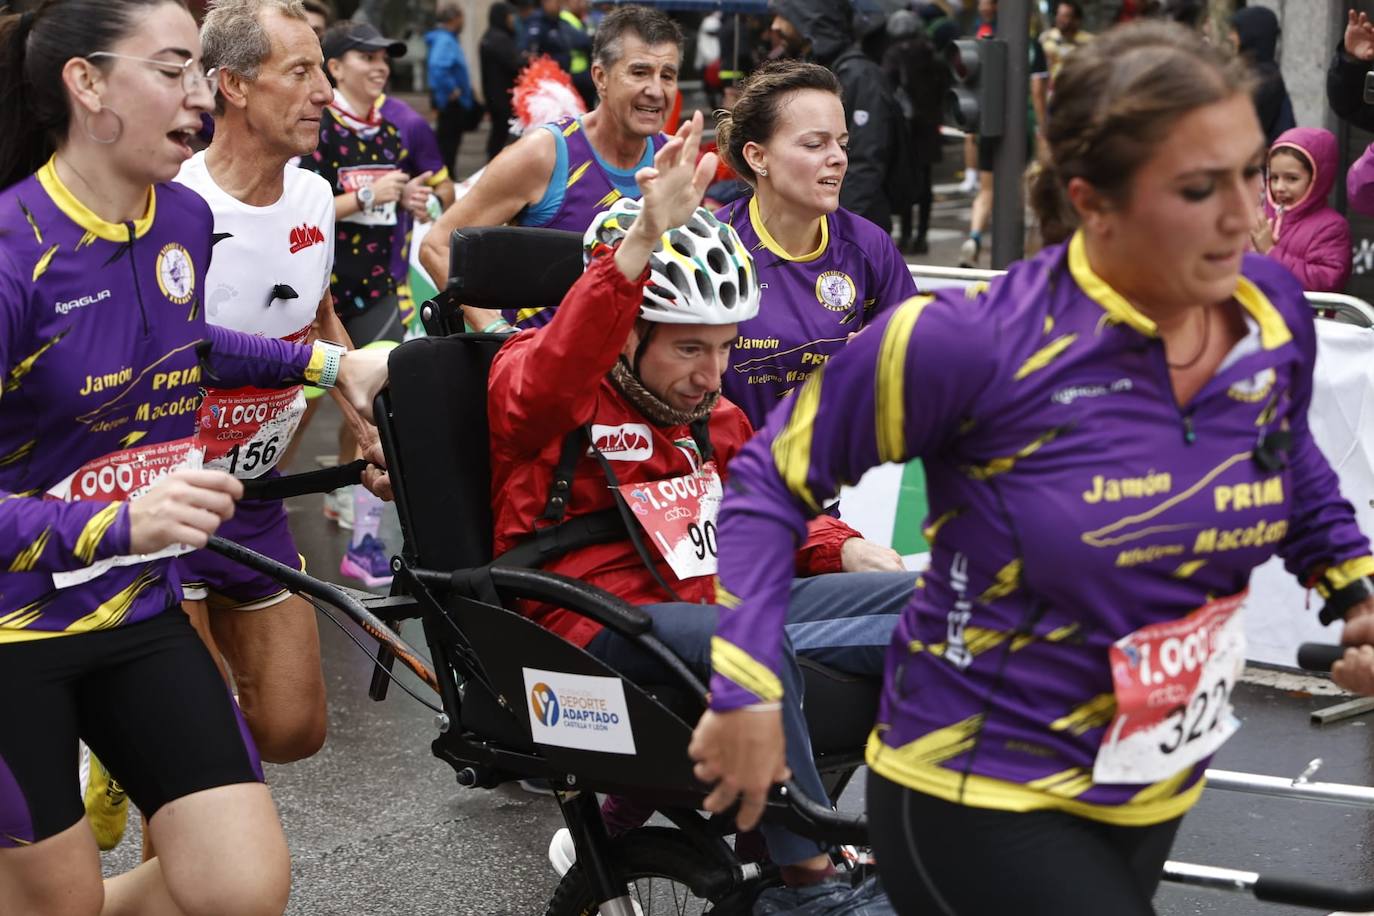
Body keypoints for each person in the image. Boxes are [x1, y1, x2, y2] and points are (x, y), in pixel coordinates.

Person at [690, 21, 1374, 914]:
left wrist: (1354, 594)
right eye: (1199, 187)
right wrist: (746, 686)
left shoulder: (1270, 306)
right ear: (1096, 201)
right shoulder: (971, 344)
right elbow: (765, 486)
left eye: (1251, 174)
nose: (1246, 215)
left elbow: (1290, 462)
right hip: (976, 785)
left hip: (1150, 777)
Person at [0, 2, 388, 913]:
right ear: (86, 83)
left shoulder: (175, 217)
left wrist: (336, 364)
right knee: (62, 904)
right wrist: (114, 519)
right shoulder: (13, 255)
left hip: (135, 603)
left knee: (241, 887)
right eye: (173, 69)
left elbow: (193, 343)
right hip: (12, 632)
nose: (199, 93)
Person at [490, 111, 906, 913]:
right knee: (740, 639)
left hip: (705, 606)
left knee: (939, 603)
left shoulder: (708, 414)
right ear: (624, 335)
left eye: (723, 348)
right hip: (592, 628)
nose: (711, 374)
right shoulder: (541, 386)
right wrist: (641, 240)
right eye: (688, 347)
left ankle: (916, 827)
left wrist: (842, 547)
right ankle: (807, 886)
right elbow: (558, 364)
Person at [174, 0, 389, 772]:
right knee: (199, 751)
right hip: (163, 511)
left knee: (294, 731)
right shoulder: (178, 204)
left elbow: (320, 313)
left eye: (323, 71)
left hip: (255, 504)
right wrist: (330, 369)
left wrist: (365, 424)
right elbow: (180, 348)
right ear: (231, 85)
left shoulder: (309, 197)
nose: (325, 92)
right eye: (300, 72)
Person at [420, 4, 682, 332]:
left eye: (667, 76)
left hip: (633, 377)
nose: (656, 90)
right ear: (601, 77)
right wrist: (498, 333)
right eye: (640, 72)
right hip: (546, 376)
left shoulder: (673, 160)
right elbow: (438, 246)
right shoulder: (544, 154)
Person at [301, 20, 453, 583]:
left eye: (384, 57)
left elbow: (420, 195)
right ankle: (260, 496)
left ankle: (352, 510)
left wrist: (411, 198)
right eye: (365, 57)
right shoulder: (318, 129)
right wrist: (365, 194)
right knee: (303, 404)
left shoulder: (393, 131)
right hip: (322, 294)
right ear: (335, 68)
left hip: (380, 290)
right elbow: (304, 207)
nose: (380, 65)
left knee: (371, 402)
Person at [713, 60, 918, 430]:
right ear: (758, 156)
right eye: (814, 144)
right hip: (718, 474)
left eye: (842, 144)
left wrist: (880, 369)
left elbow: (919, 376)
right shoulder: (713, 243)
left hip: (820, 477)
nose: (838, 158)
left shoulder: (870, 247)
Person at [771, 0, 905, 233]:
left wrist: (839, 231)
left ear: (809, 19)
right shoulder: (820, 70)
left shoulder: (860, 76)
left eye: (784, 17)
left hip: (852, 229)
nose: (775, 26)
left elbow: (866, 162)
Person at [960, 0, 1049, 267]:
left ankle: (974, 237)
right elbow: (1036, 91)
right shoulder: (1032, 47)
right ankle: (1021, 250)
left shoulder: (985, 41)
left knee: (986, 190)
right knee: (1018, 188)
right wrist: (1043, 127)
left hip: (989, 123)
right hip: (1020, 126)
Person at [1251, 128, 1351, 294]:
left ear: (1317, 179)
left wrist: (1270, 251)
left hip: (1301, 317)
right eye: (1274, 177)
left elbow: (1327, 281)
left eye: (1292, 178)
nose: (1279, 187)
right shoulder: (1261, 216)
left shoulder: (1331, 227)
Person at [881, 9, 946, 254]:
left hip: (906, 129)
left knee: (907, 178)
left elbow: (888, 87)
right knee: (926, 183)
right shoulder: (930, 53)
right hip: (928, 126)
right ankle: (922, 234)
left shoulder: (893, 54)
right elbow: (943, 86)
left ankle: (907, 234)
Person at [1230, 6, 1294, 147]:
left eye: (1236, 31)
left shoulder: (1263, 79)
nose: (1231, 37)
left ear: (1251, 34)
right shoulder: (1258, 73)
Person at [426, 4, 478, 177]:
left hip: (452, 102)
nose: (463, 21)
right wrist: (453, 89)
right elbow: (438, 67)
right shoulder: (445, 40)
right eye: (461, 17)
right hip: (451, 103)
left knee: (449, 145)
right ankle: (446, 179)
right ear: (454, 19)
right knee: (448, 146)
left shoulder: (448, 39)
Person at [480, 2, 521, 162]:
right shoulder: (500, 39)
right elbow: (514, 63)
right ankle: (494, 164)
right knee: (500, 134)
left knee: (498, 132)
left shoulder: (488, 36)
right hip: (502, 96)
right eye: (510, 16)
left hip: (492, 95)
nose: (513, 20)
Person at [1039, 1, 1093, 90]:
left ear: (1076, 20)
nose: (1060, 19)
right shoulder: (1046, 38)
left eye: (1065, 16)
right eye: (1059, 15)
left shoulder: (1089, 41)